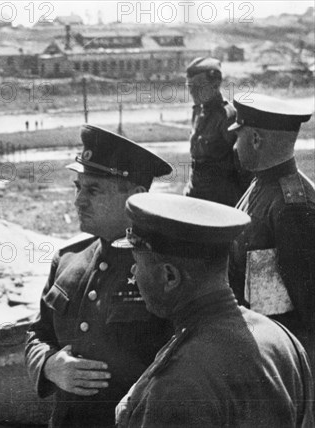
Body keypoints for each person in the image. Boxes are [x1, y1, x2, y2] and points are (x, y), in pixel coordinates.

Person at [116, 193, 314, 427]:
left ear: (170, 276)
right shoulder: (282, 341)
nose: (133, 273)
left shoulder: (175, 387)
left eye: (137, 263)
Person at [25, 125, 174, 427]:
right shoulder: (67, 260)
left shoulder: (164, 269)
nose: (78, 200)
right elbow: (37, 335)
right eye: (77, 187)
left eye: (93, 190)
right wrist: (49, 365)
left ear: (137, 197)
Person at [228, 93, 315, 374]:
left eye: (237, 136)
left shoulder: (292, 206)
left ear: (255, 138)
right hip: (261, 347)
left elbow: (308, 305)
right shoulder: (262, 184)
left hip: (281, 359)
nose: (234, 144)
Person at [183, 57, 250, 206]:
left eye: (198, 86)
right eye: (190, 86)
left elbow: (244, 167)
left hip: (220, 199)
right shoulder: (198, 112)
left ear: (215, 85)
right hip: (195, 193)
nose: (192, 91)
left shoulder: (228, 117)